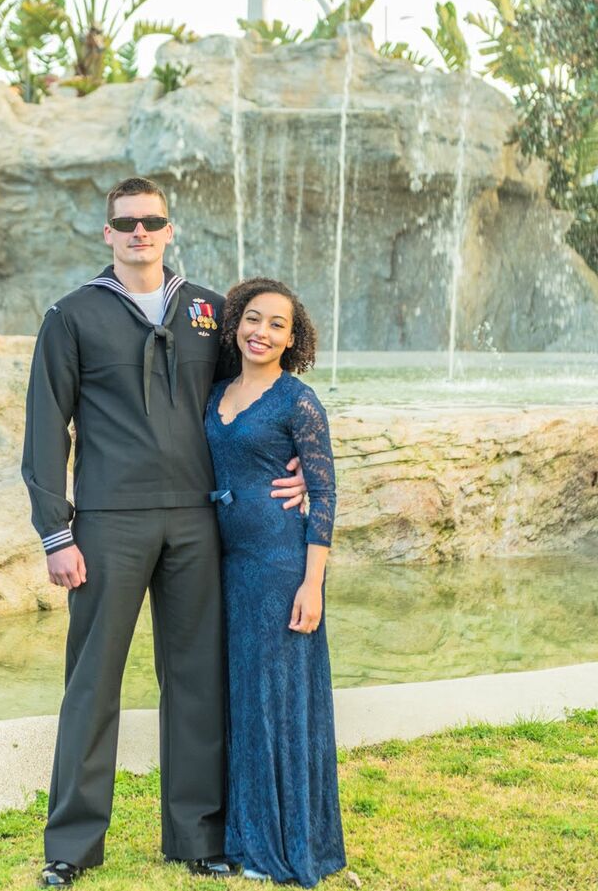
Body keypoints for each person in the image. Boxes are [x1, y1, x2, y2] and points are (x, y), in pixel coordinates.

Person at [20, 177, 307, 887]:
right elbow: (44, 427)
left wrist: (294, 459)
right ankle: (73, 845)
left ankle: (199, 835)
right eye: (127, 223)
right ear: (108, 233)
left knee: (197, 680)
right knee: (92, 683)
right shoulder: (71, 314)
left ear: (170, 229)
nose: (140, 233)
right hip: (109, 521)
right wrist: (56, 532)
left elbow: (253, 392)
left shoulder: (211, 310)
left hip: (196, 518)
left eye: (152, 221)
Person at [204, 277, 347, 888]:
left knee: (280, 701)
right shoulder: (215, 391)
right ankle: (243, 836)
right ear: (235, 323)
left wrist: (312, 584)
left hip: (280, 567)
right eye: (253, 319)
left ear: (294, 338)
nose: (262, 332)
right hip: (227, 567)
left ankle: (287, 844)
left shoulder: (299, 402)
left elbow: (326, 496)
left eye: (277, 324)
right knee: (243, 700)